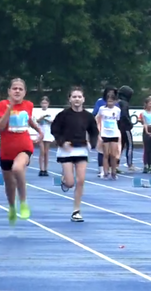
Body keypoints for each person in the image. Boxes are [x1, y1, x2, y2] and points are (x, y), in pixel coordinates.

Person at [0, 78, 43, 225]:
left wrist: (39, 131)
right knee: (9, 184)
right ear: (9, 91)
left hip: (24, 146)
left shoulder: (28, 105)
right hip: (7, 150)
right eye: (14, 88)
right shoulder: (2, 105)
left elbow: (28, 119)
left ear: (24, 92)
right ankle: (11, 207)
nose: (17, 91)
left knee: (17, 168)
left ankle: (23, 202)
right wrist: (9, 110)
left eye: (20, 89)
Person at [51, 87, 99, 222]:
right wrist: (61, 142)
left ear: (83, 99)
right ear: (70, 99)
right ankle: (65, 180)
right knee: (70, 183)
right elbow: (55, 129)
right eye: (74, 97)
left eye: (79, 97)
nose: (77, 99)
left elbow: (94, 132)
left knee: (81, 180)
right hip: (66, 150)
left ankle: (76, 211)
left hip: (81, 150)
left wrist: (92, 143)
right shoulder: (63, 115)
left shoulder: (88, 116)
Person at [92, 86, 119, 176]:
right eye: (108, 101)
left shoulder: (117, 110)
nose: (110, 103)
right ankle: (105, 172)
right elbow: (98, 118)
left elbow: (117, 120)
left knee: (113, 155)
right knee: (105, 154)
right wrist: (99, 131)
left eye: (112, 101)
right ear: (106, 101)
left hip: (114, 134)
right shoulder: (102, 109)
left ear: (115, 101)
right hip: (105, 134)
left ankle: (114, 171)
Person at [118, 85, 135, 171]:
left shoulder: (118, 102)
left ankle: (116, 164)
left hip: (119, 127)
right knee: (130, 145)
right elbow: (124, 115)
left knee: (119, 146)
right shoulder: (124, 103)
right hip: (125, 128)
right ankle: (130, 164)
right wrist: (130, 124)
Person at [36, 96, 54, 176]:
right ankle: (41, 168)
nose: (44, 105)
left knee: (46, 152)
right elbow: (37, 120)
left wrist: (47, 119)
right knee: (42, 151)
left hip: (48, 133)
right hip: (41, 133)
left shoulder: (51, 112)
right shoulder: (38, 112)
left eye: (45, 103)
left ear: (48, 104)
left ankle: (46, 169)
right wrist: (43, 117)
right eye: (43, 103)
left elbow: (52, 121)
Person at [141, 96, 151, 173]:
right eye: (150, 103)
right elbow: (145, 123)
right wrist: (147, 131)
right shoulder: (143, 113)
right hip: (147, 129)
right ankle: (146, 165)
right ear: (146, 104)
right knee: (147, 148)